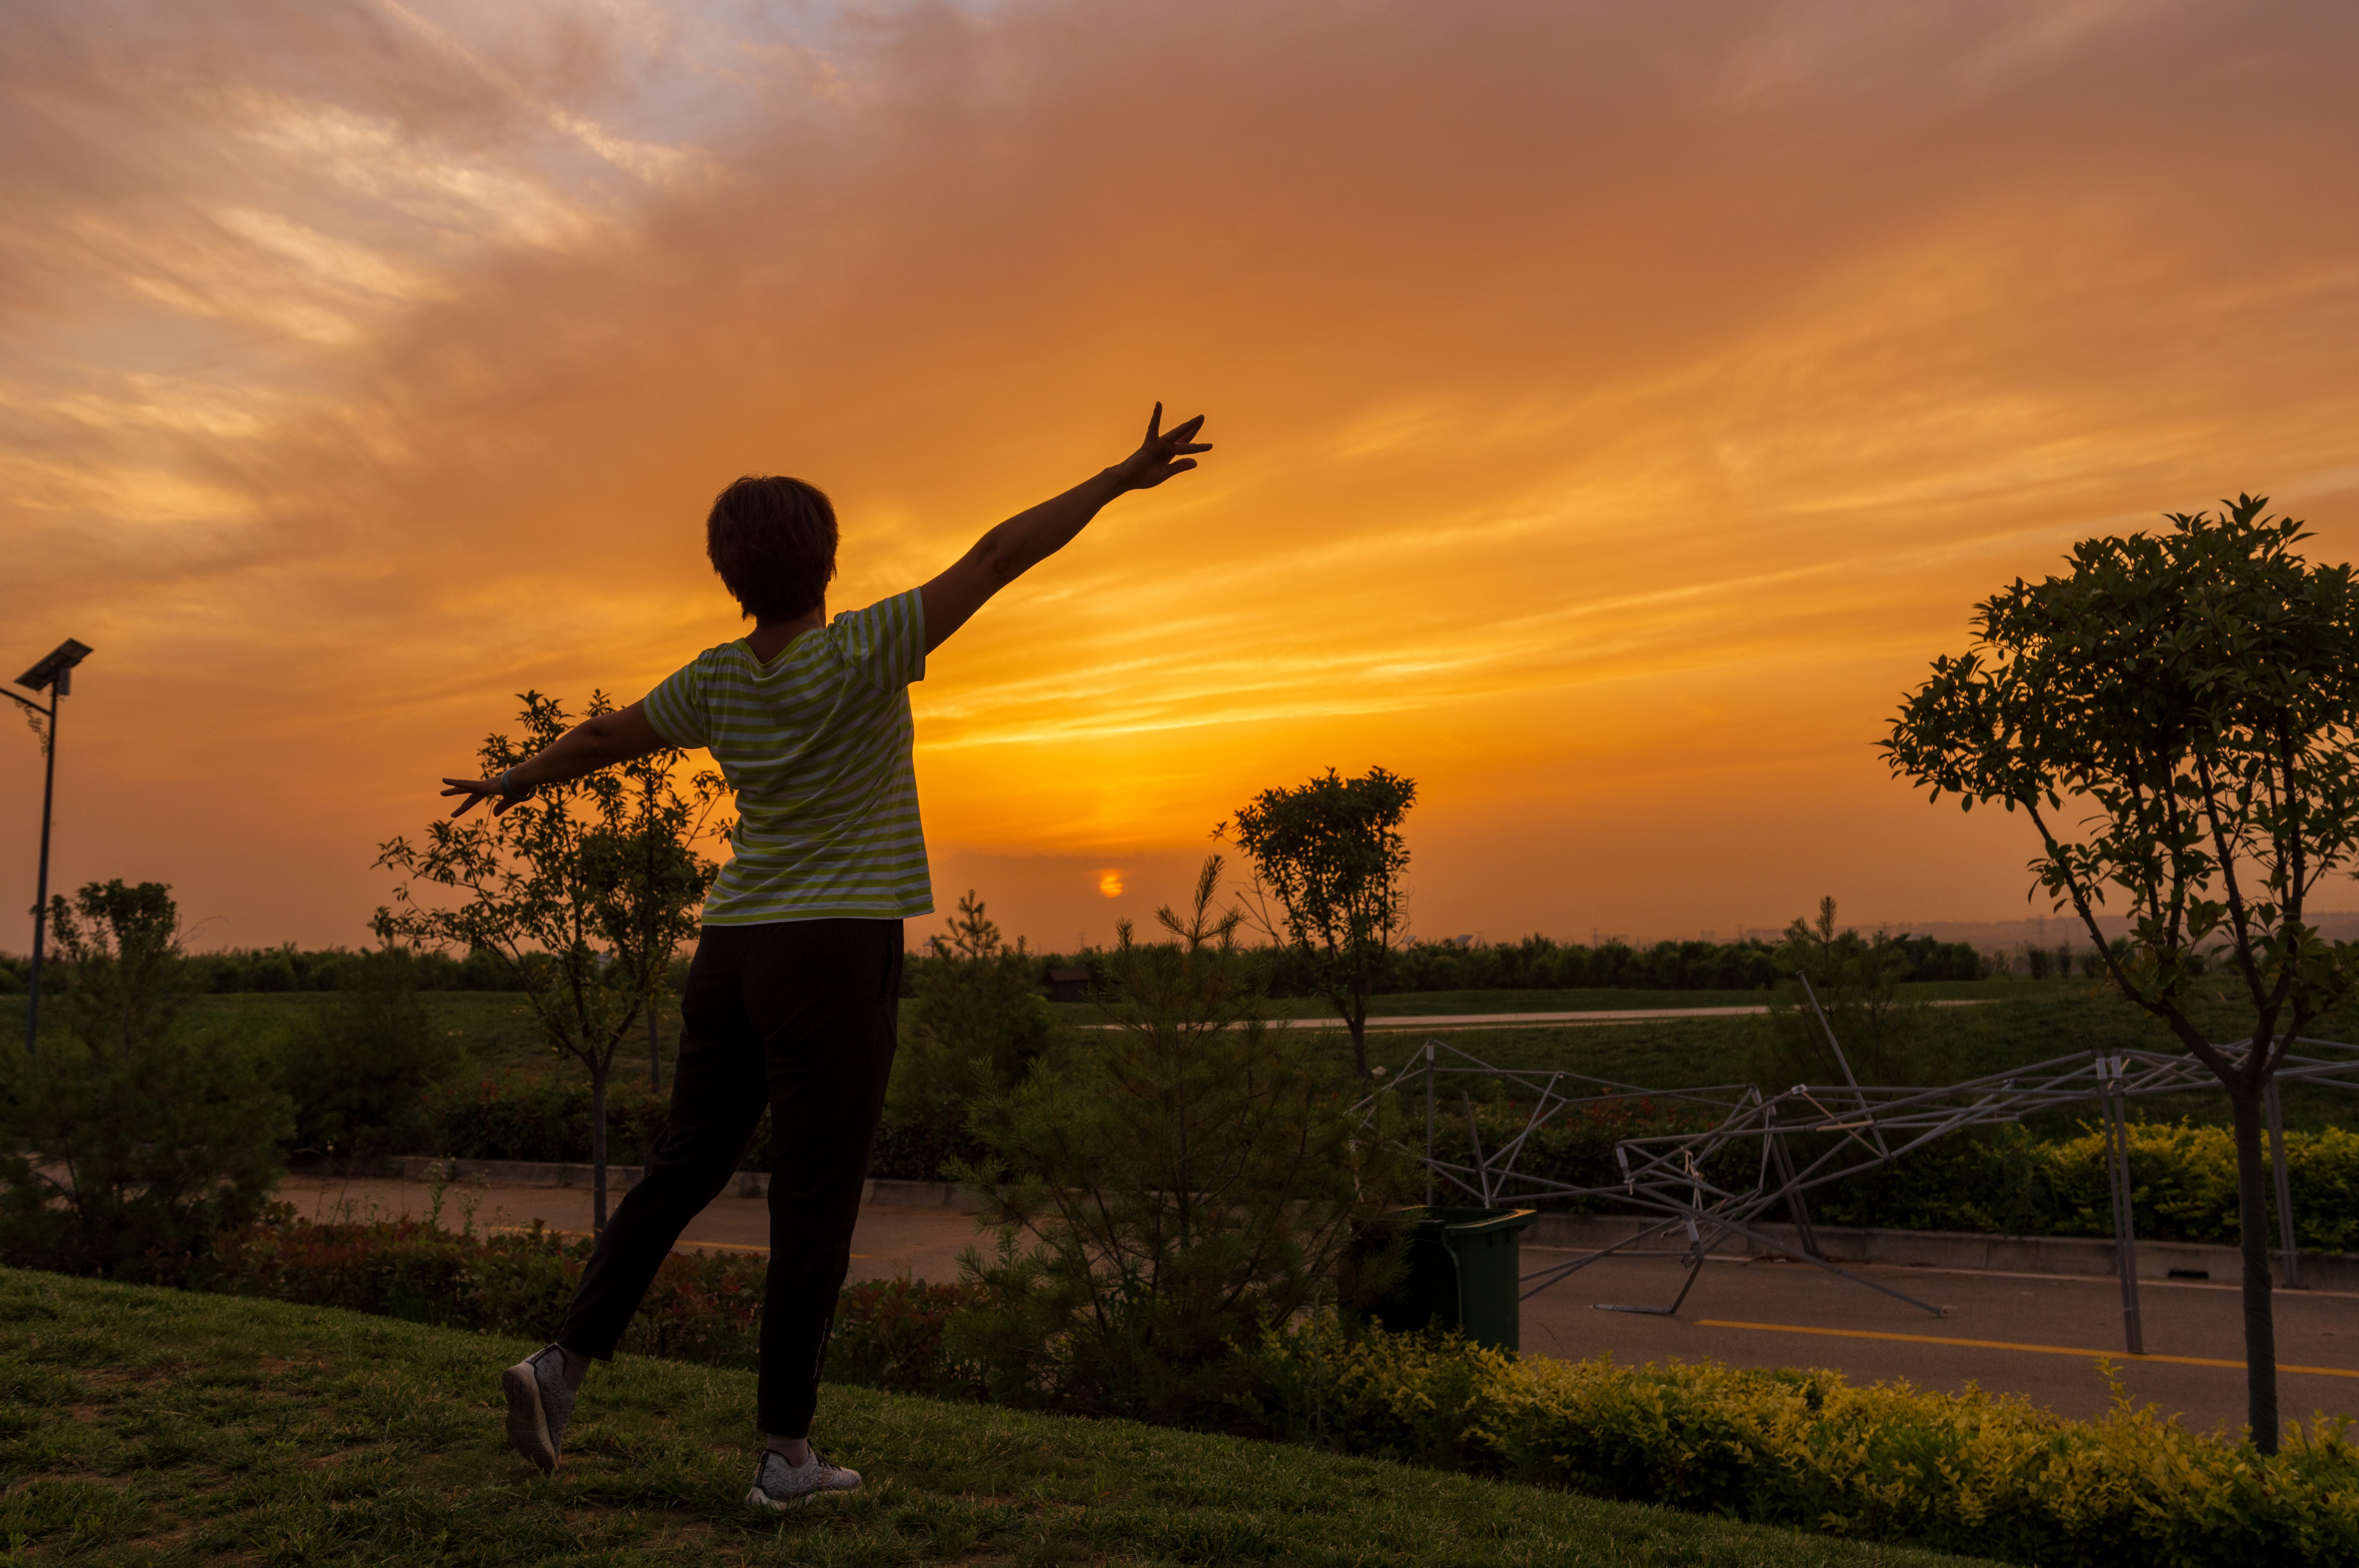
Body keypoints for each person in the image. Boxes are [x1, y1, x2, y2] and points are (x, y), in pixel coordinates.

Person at [440, 405, 1210, 1510]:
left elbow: (607, 736)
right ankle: (787, 1459)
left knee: (680, 1171)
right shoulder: (864, 647)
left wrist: (514, 779)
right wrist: (1116, 478)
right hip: (835, 954)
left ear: (728, 576)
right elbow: (997, 555)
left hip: (733, 951)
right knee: (814, 1205)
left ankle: (560, 1368)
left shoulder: (714, 679)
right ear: (830, 562)